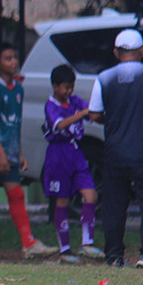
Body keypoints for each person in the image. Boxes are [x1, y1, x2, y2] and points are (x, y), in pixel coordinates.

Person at [88, 29, 143, 270]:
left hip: (115, 153)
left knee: (115, 206)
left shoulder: (104, 78)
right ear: (142, 50)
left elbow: (94, 113)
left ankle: (114, 256)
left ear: (116, 53)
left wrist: (115, 119)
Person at [0, 42, 58, 260]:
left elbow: (14, 124)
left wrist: (18, 153)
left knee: (16, 194)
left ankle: (28, 243)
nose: (14, 62)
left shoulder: (18, 89)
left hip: (9, 153)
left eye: (15, 57)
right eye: (8, 58)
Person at [42, 64, 104, 263]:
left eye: (71, 87)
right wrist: (82, 113)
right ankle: (65, 250)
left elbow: (92, 112)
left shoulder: (74, 101)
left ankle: (87, 243)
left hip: (76, 153)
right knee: (62, 201)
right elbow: (59, 125)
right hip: (58, 156)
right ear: (55, 86)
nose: (69, 91)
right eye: (65, 87)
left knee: (90, 195)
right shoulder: (50, 105)